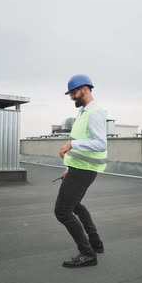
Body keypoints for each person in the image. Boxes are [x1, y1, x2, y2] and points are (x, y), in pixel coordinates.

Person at [56, 74, 107, 268]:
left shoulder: (94, 113)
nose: (72, 97)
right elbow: (83, 144)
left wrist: (71, 144)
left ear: (85, 89)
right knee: (75, 205)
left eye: (74, 93)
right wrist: (69, 168)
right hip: (79, 169)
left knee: (62, 211)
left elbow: (100, 144)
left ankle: (87, 253)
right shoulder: (84, 112)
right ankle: (96, 243)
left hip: (84, 170)